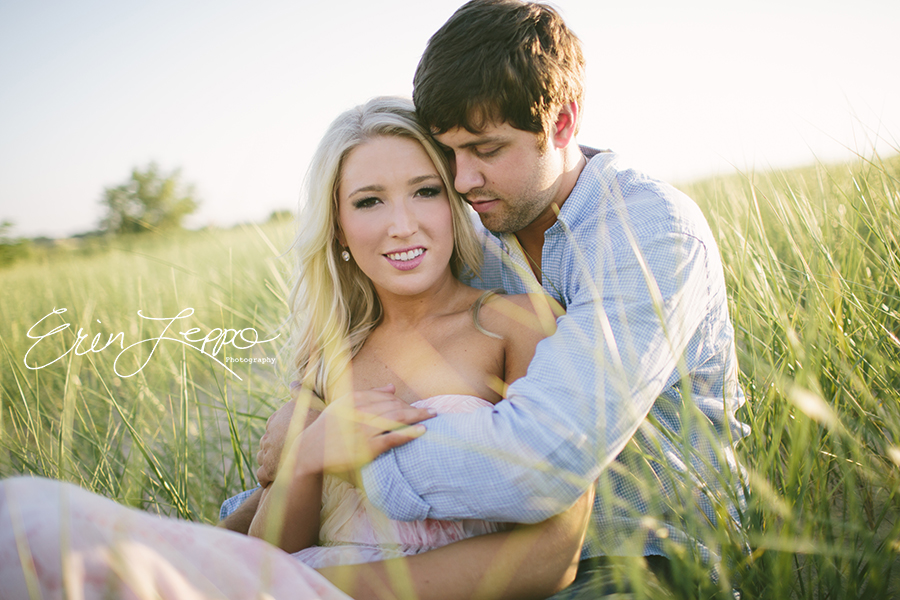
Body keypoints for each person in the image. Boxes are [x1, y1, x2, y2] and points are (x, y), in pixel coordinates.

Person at [241, 0, 749, 597]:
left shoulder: (647, 233)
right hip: (489, 552)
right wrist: (302, 419)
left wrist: (345, 451)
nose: (461, 182)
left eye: (485, 151)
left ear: (561, 123)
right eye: (449, 155)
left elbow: (545, 457)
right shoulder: (481, 234)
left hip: (645, 555)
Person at [0, 97, 593, 600]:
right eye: (369, 201)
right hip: (291, 582)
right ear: (337, 226)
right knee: (25, 519)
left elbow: (552, 556)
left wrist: (320, 582)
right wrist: (309, 456)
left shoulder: (518, 326)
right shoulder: (333, 355)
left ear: (455, 199)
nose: (402, 224)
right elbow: (268, 552)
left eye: (424, 191)